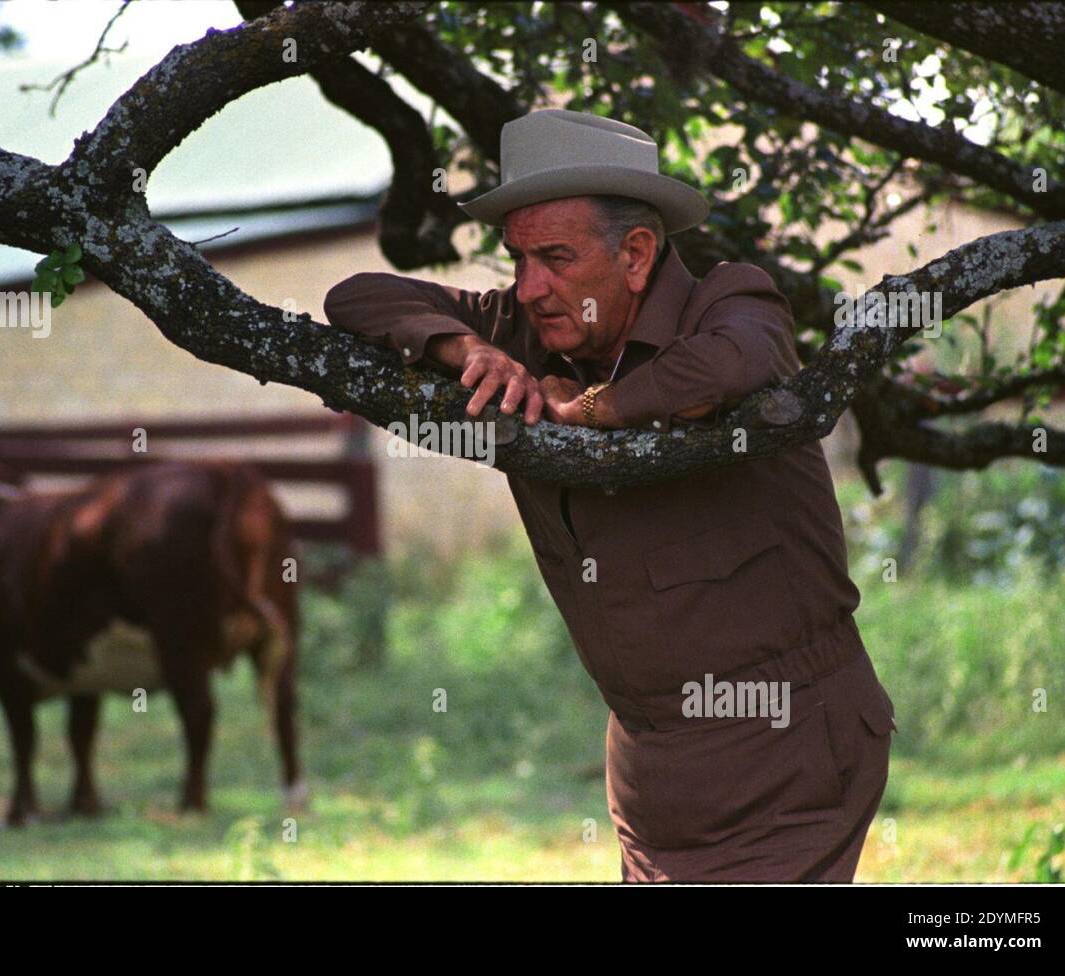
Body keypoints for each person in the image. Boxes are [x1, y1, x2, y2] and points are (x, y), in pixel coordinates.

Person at [323, 108, 897, 882]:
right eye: (518, 259)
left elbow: (738, 362)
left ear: (636, 255)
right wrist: (468, 348)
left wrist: (591, 409)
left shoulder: (728, 301)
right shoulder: (520, 326)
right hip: (646, 764)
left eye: (555, 258)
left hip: (787, 744)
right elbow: (357, 296)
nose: (529, 287)